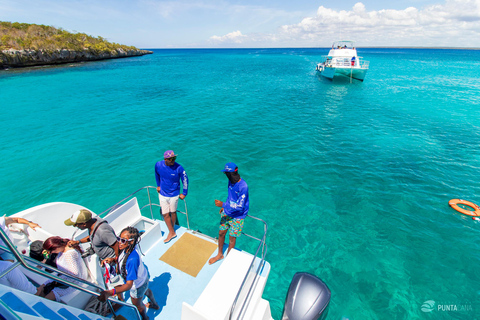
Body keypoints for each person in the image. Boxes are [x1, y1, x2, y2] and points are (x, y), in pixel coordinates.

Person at [99, 227, 158, 320]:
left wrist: (110, 292)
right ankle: (155, 304)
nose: (119, 242)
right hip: (144, 278)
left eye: (123, 240)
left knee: (138, 305)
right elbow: (123, 258)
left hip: (137, 286)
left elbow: (129, 286)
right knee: (146, 290)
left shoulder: (132, 260)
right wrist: (113, 260)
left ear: (131, 241)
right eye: (118, 238)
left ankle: (145, 318)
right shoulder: (131, 247)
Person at [209, 162, 249, 265]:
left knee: (232, 238)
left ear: (232, 173)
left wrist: (223, 204)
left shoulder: (243, 186)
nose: (226, 175)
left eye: (227, 173)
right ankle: (219, 254)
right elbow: (230, 196)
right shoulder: (230, 181)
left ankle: (228, 259)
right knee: (221, 233)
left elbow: (240, 206)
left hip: (238, 217)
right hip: (227, 212)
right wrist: (224, 206)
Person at [36, 236, 88, 302]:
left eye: (51, 251)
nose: (51, 253)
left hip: (74, 283)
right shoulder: (62, 250)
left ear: (56, 247)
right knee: (40, 289)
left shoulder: (69, 255)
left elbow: (75, 275)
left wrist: (56, 282)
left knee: (44, 300)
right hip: (62, 277)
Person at [154, 150, 189, 243]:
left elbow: (185, 179)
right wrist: (158, 185)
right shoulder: (158, 165)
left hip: (174, 194)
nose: (173, 160)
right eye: (170, 159)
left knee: (173, 212)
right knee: (165, 213)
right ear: (165, 159)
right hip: (163, 193)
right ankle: (172, 232)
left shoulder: (179, 168)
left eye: (174, 158)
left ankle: (171, 231)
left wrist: (184, 193)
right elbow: (156, 174)